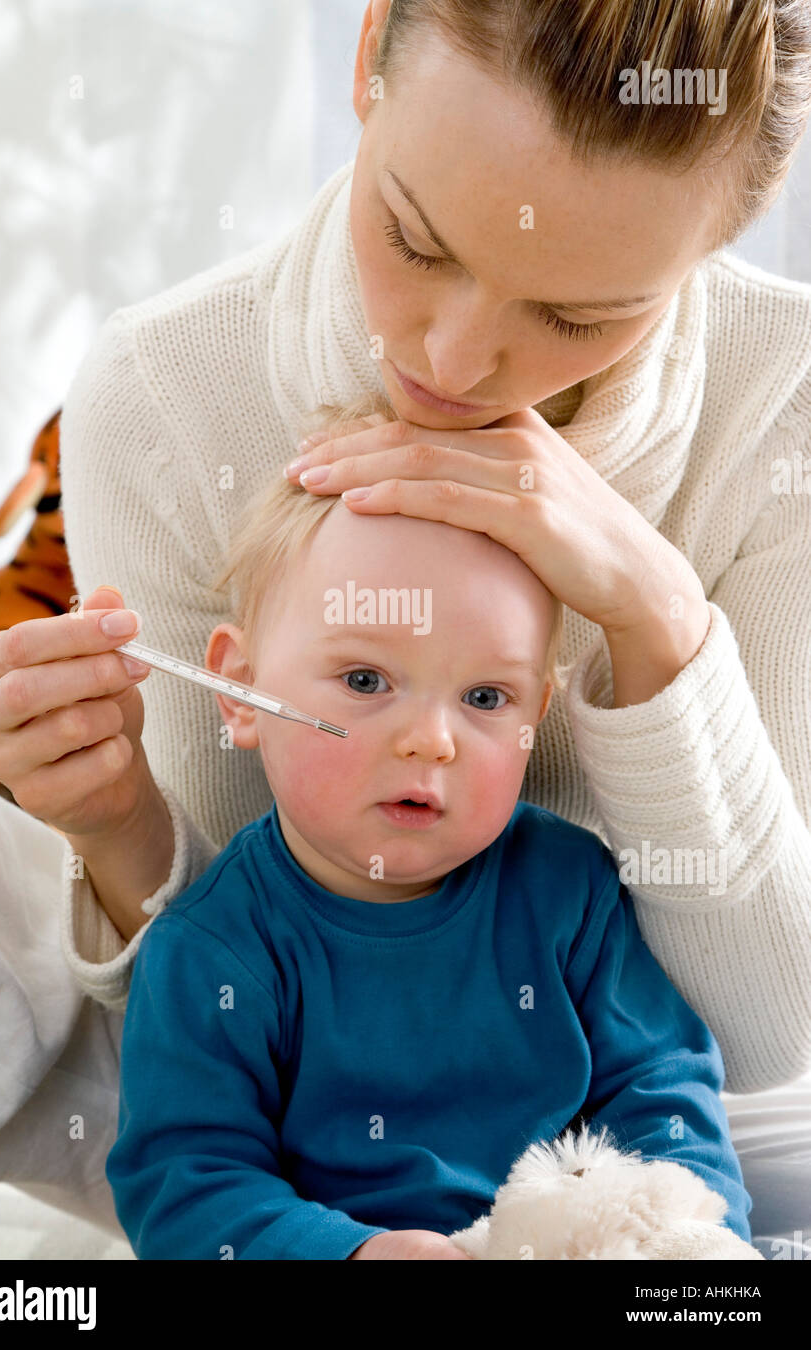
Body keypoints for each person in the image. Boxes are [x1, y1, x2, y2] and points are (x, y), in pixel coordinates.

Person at [0, 0, 811, 1258]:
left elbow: (759, 1025)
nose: (455, 362)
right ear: (365, 64)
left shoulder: (782, 397)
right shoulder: (165, 384)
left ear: (715, 244)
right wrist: (115, 819)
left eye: (578, 314)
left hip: (660, 1109)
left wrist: (653, 613)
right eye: (416, 238)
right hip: (291, 1079)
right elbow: (247, 949)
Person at [106, 416, 754, 1260]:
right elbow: (187, 1182)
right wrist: (352, 1253)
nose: (432, 740)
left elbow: (662, 1090)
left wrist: (686, 1242)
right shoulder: (213, 951)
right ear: (241, 690)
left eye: (487, 699)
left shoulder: (570, 892)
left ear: (535, 721)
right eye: (367, 680)